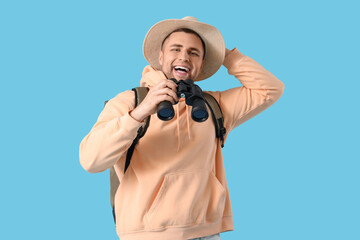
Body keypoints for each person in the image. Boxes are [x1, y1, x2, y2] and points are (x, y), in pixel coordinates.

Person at [79, 16, 285, 240]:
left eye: (194, 52)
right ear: (160, 57)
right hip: (148, 235)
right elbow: (91, 160)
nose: (184, 57)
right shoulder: (130, 102)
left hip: (206, 231)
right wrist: (140, 113)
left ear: (203, 63)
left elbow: (270, 89)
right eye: (175, 49)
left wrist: (223, 53)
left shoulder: (214, 106)